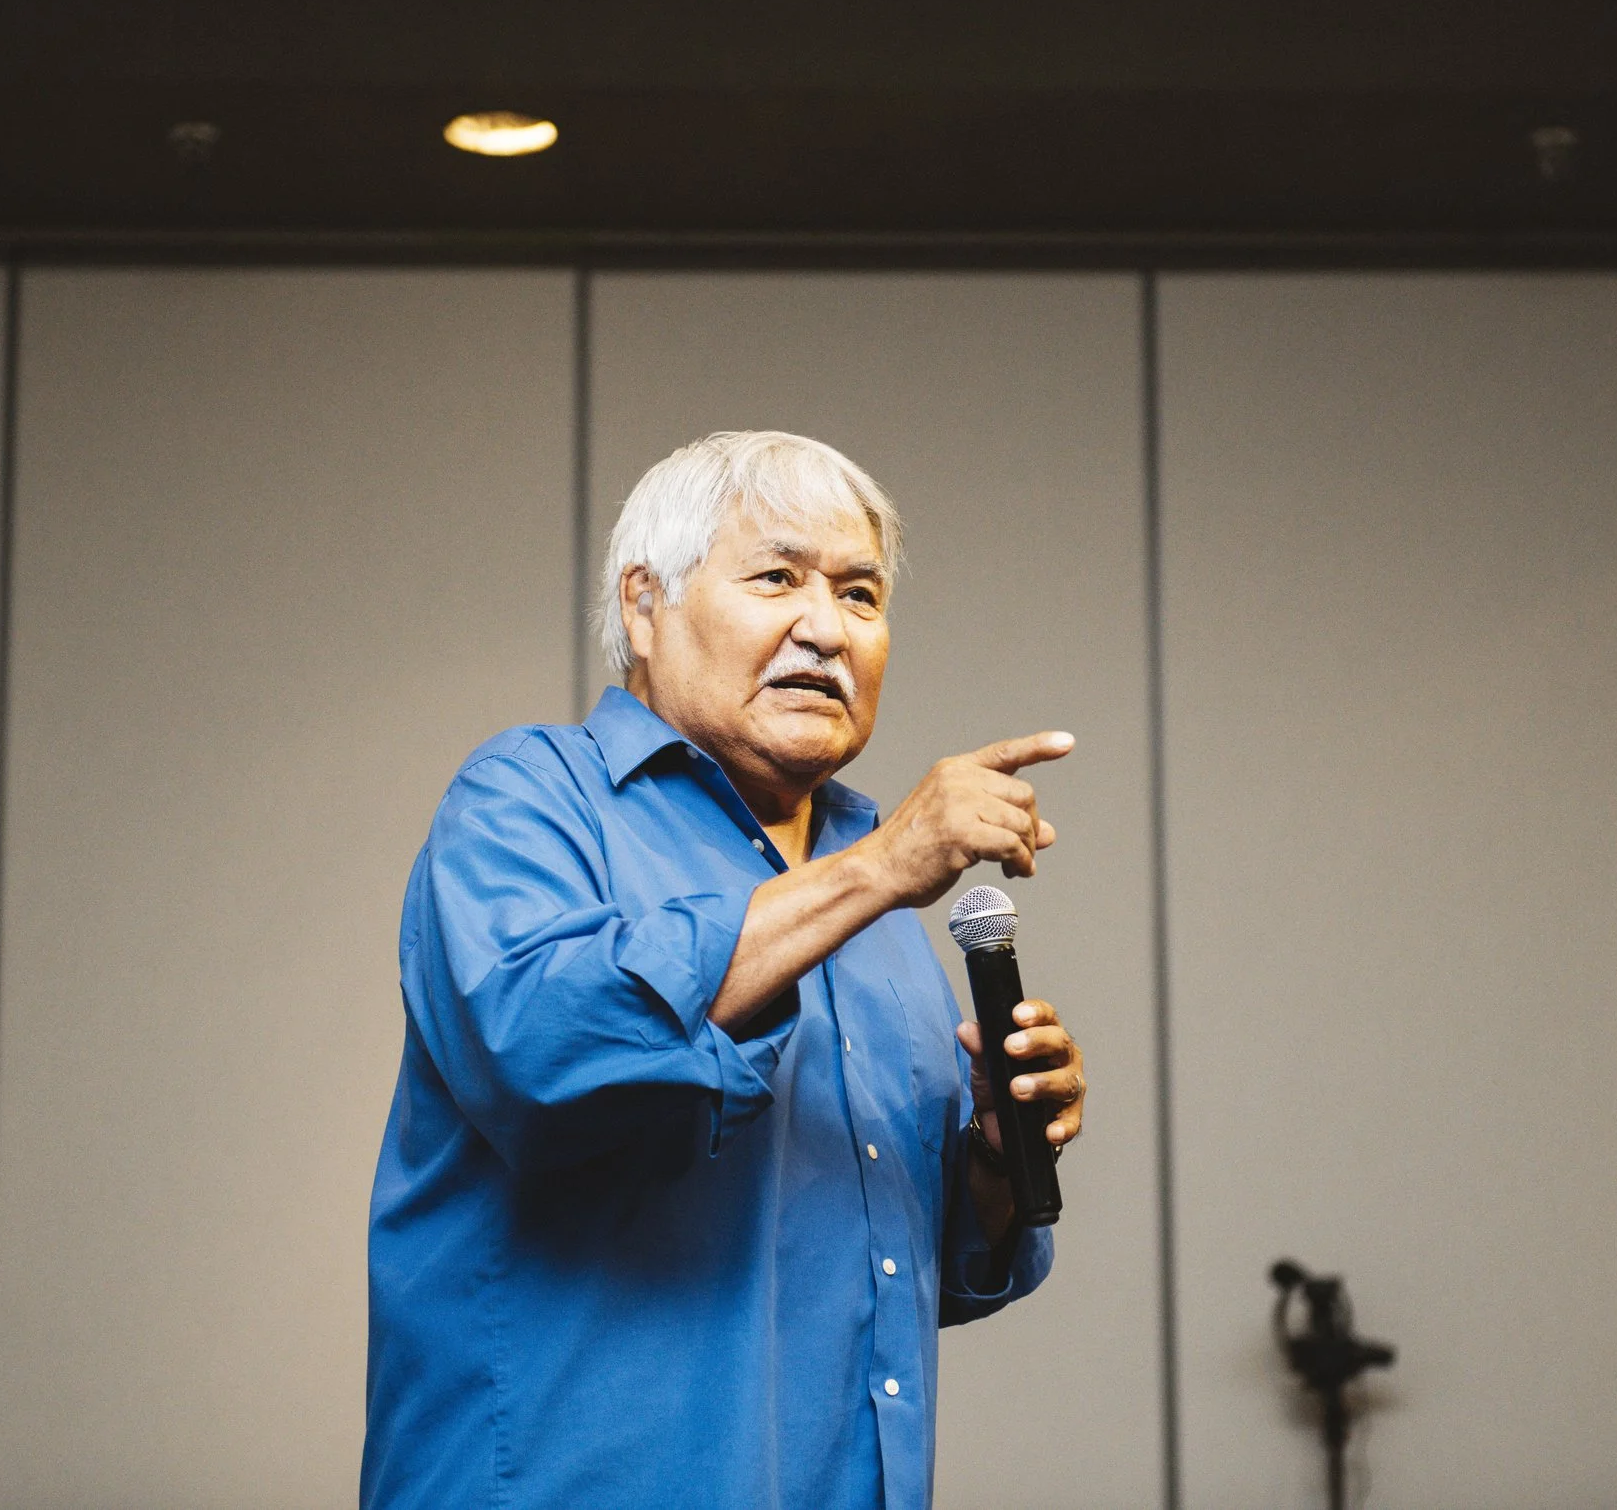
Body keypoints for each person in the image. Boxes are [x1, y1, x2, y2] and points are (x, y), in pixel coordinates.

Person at [362, 430, 1090, 1510]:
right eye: (776, 577)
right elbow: (540, 1046)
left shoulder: (875, 895)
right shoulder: (529, 797)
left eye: (859, 593)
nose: (824, 628)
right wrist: (881, 868)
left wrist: (990, 1160)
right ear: (645, 605)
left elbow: (886, 1269)